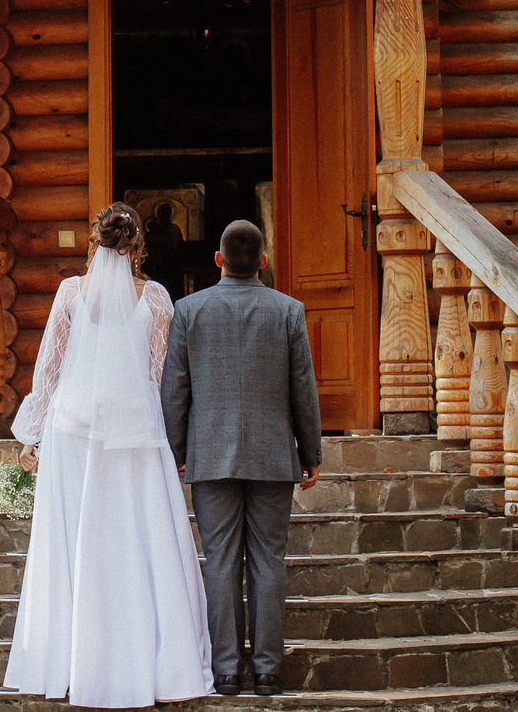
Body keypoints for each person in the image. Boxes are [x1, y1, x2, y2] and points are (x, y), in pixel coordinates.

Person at [5, 203, 211, 707]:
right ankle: (146, 662)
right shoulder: (156, 297)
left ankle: (71, 662)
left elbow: (49, 368)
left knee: (72, 542)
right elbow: (163, 376)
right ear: (138, 247)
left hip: (72, 429)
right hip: (136, 431)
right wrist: (177, 439)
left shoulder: (69, 293)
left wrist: (32, 434)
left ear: (94, 242)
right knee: (137, 539)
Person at [160, 218, 322, 697]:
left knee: (220, 560)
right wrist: (310, 451)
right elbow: (303, 388)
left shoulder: (188, 310)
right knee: (269, 560)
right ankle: (268, 671)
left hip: (211, 455)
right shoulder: (288, 311)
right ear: (263, 262)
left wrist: (176, 451)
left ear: (218, 260)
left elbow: (175, 392)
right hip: (273, 455)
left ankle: (227, 670)